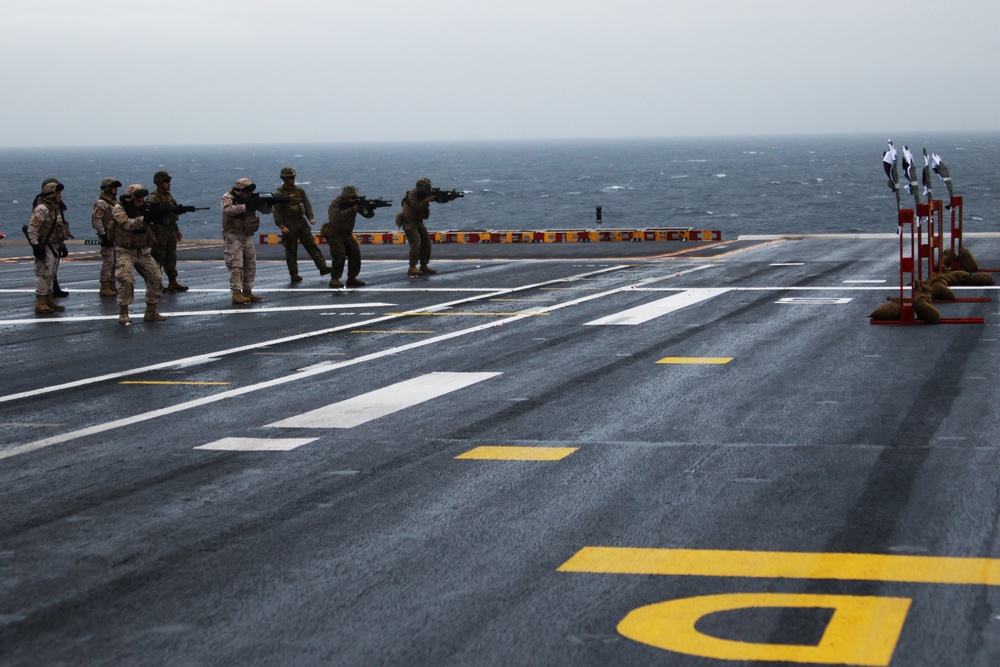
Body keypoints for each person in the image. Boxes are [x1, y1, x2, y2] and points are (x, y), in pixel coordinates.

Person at [111, 184, 166, 324]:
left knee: (156, 278)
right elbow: (127, 225)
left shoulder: (144, 208)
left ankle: (151, 311)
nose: (141, 204)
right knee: (126, 279)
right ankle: (123, 312)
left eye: (142, 201)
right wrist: (145, 218)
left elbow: (149, 223)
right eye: (138, 201)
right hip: (125, 250)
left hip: (143, 250)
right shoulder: (119, 208)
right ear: (130, 199)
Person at [272, 166, 331, 282]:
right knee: (291, 250)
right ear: (284, 179)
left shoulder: (299, 191)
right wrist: (281, 225)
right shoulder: (279, 193)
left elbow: (306, 204)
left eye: (293, 177)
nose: (293, 180)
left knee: (311, 245)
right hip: (289, 224)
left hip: (301, 222)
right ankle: (294, 274)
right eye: (290, 178)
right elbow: (277, 211)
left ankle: (322, 267)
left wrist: (310, 217)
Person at [222, 178, 272, 305]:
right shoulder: (228, 197)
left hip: (247, 235)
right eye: (246, 191)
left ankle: (247, 290)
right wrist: (245, 206)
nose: (249, 194)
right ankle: (236, 293)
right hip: (233, 235)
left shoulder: (251, 199)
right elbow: (228, 209)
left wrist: (270, 204)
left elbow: (266, 211)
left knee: (250, 262)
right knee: (236, 264)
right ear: (239, 191)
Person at [26, 180, 70, 314]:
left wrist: (62, 246)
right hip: (45, 245)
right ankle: (41, 302)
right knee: (44, 274)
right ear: (52, 194)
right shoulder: (42, 209)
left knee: (51, 274)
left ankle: (49, 300)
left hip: (55, 245)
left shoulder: (54, 208)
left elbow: (59, 228)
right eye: (58, 193)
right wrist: (35, 246)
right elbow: (32, 229)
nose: (60, 196)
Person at [323, 185, 375, 288]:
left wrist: (369, 209)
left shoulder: (354, 203)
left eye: (355, 197)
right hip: (334, 233)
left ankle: (352, 278)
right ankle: (334, 279)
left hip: (346, 233)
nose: (354, 199)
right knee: (339, 254)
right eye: (352, 198)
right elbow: (337, 217)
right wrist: (352, 209)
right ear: (345, 197)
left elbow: (368, 215)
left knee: (355, 253)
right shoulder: (336, 203)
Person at [146, 170, 188, 292]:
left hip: (169, 228)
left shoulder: (168, 197)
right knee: (157, 257)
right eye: (166, 181)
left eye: (169, 181)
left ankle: (172, 281)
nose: (169, 184)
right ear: (159, 183)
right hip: (158, 229)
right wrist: (151, 235)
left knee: (171, 256)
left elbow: (171, 216)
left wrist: (176, 230)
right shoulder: (152, 199)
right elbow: (148, 219)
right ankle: (156, 284)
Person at [398, 177, 440, 277]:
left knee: (426, 242)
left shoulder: (423, 195)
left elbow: (437, 200)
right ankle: (412, 267)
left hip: (418, 222)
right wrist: (428, 200)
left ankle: (423, 265)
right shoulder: (412, 194)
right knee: (416, 243)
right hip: (409, 222)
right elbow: (416, 206)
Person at [92, 177, 121, 297]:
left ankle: (112, 284)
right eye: (114, 187)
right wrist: (103, 235)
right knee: (108, 261)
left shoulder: (115, 203)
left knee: (115, 261)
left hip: (115, 235)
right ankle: (104, 285)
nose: (116, 190)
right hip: (107, 235)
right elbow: (97, 220)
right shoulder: (102, 203)